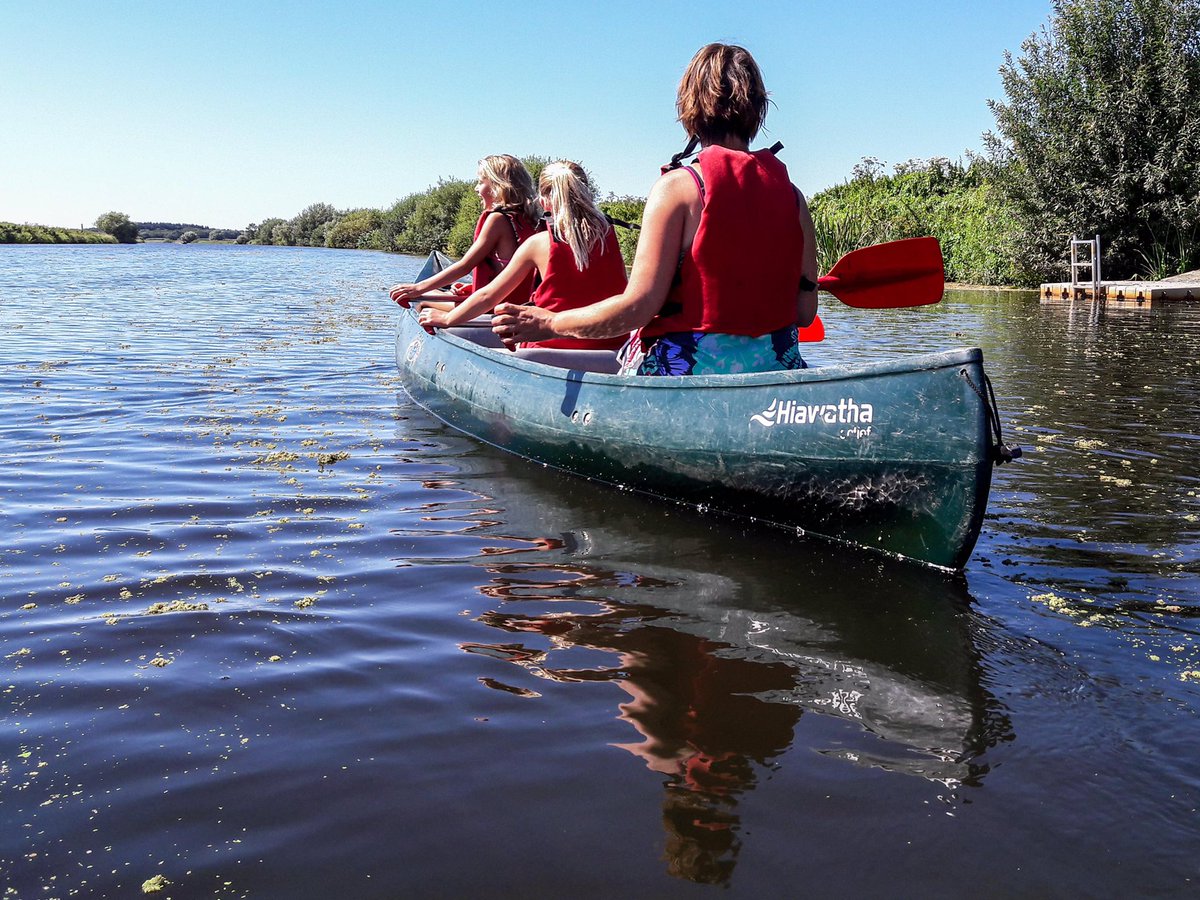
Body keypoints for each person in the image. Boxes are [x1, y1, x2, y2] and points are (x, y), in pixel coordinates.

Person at [491, 43, 819, 375]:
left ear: (690, 107)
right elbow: (805, 313)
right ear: (759, 108)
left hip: (690, 373)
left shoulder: (678, 188)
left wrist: (550, 323)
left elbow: (637, 309)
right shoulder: (793, 197)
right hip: (777, 372)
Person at [418, 160, 628, 351]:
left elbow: (488, 296)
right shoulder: (609, 235)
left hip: (547, 347)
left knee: (423, 305)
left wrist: (447, 319)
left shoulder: (537, 244)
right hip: (613, 346)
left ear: (543, 200)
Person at [389, 154, 542, 311]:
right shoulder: (531, 220)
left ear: (498, 185)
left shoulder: (498, 219)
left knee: (422, 300)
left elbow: (465, 266)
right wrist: (472, 287)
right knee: (439, 292)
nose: (476, 188)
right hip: (522, 305)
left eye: (480, 182)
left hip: (493, 307)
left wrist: (417, 288)